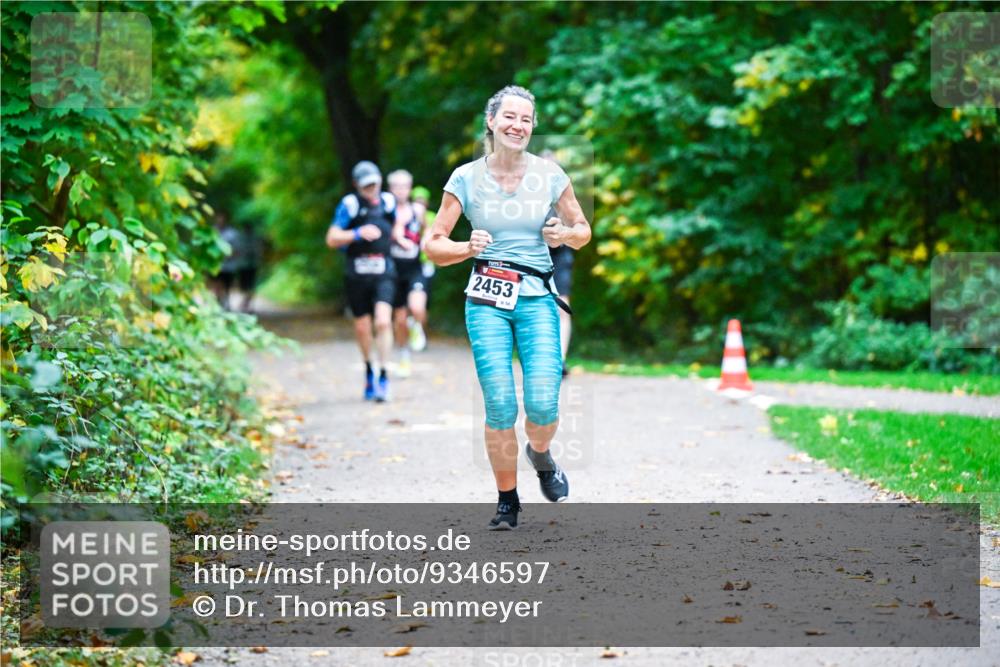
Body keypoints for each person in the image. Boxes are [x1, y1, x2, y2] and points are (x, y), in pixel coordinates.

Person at [425, 85, 591, 529]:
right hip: (486, 301)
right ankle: (507, 501)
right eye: (510, 118)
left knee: (542, 406)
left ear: (532, 127)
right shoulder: (464, 177)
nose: (518, 126)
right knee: (499, 404)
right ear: (492, 122)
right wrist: (465, 246)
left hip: (537, 299)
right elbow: (434, 244)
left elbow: (583, 228)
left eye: (526, 119)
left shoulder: (551, 174)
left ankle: (540, 454)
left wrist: (564, 235)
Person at [326, 161, 397, 402]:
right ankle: (369, 369)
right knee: (363, 327)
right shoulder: (350, 205)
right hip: (356, 274)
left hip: (384, 271)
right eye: (366, 186)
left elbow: (395, 228)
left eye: (375, 184)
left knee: (384, 322)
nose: (372, 189)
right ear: (357, 185)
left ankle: (384, 374)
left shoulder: (389, 202)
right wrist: (357, 234)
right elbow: (332, 237)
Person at [387, 170, 428, 377]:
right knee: (399, 319)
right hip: (393, 271)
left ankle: (417, 325)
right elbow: (392, 232)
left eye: (405, 186)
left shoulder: (417, 211)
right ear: (390, 189)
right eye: (396, 187)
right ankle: (404, 356)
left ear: (410, 189)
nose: (401, 191)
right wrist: (398, 238)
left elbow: (427, 232)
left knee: (417, 307)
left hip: (414, 269)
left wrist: (427, 245)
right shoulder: (386, 211)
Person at [540, 151, 575, 371]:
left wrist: (563, 232)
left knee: (563, 307)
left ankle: (560, 361)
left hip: (560, 255)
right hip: (533, 256)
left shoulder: (566, 197)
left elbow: (579, 229)